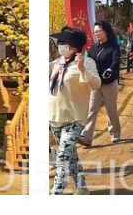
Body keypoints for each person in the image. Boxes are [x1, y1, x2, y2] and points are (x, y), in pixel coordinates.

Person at [49, 26, 101, 195]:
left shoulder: (87, 62)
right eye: (60, 42)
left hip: (75, 118)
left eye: (64, 42)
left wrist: (82, 69)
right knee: (70, 155)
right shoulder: (57, 63)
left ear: (74, 45)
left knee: (62, 156)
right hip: (55, 117)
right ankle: (82, 187)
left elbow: (96, 84)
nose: (61, 45)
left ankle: (56, 192)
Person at [81, 21, 122, 146]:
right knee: (92, 109)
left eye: (99, 31)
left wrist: (110, 70)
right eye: (95, 32)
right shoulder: (94, 47)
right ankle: (86, 137)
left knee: (111, 110)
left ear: (106, 31)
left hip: (109, 83)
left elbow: (116, 61)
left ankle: (115, 133)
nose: (96, 34)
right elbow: (90, 62)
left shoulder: (113, 46)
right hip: (96, 83)